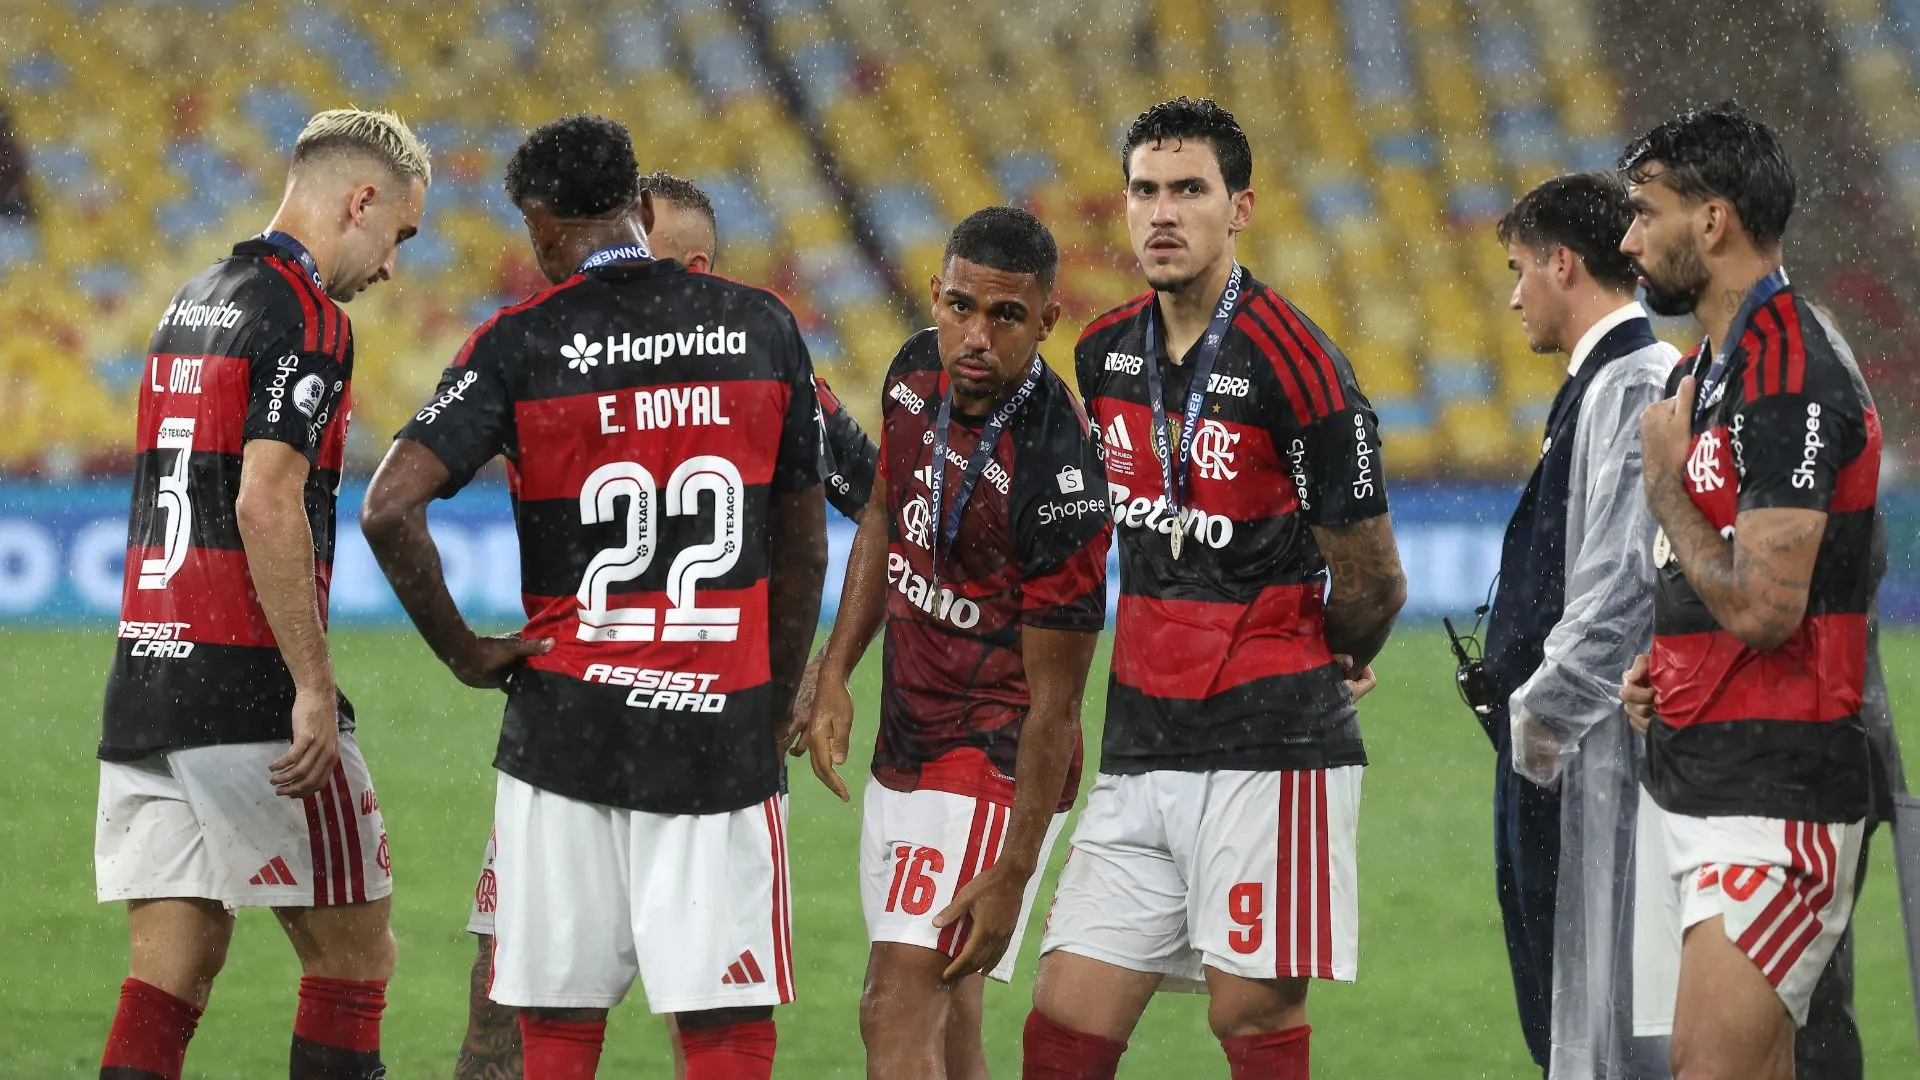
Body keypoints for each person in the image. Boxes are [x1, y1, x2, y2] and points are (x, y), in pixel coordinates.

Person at [360, 115, 826, 1080]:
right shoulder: (762, 326)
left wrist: (465, 652)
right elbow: (804, 546)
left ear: (538, 227)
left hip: (566, 725)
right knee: (723, 1023)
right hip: (715, 729)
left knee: (560, 1020)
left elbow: (388, 509)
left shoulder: (520, 344)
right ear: (645, 209)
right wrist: (774, 702)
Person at [450, 170, 876, 1080]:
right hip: (594, 728)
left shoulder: (766, 361)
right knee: (504, 984)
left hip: (687, 720)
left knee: (645, 1004)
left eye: (691, 267)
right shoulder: (571, 343)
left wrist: (821, 666)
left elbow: (883, 507)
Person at [1025, 97, 1406, 1080]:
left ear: (1238, 208)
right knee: (1063, 1024)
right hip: (1141, 743)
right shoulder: (1104, 353)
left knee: (1251, 1019)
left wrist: (1329, 656)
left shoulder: (1301, 363)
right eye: (1145, 190)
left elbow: (1372, 577)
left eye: (1187, 190)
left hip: (1269, 746)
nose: (1162, 212)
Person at [92, 108, 428, 1080]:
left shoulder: (192, 299)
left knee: (172, 971)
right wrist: (312, 687)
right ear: (360, 200)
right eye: (398, 235)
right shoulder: (307, 316)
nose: (391, 266)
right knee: (357, 962)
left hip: (143, 686)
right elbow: (266, 500)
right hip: (242, 689)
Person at [807, 206, 1112, 1080]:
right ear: (937, 294)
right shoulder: (912, 372)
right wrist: (834, 674)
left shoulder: (1058, 473)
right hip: (908, 732)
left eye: (1005, 316)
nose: (975, 335)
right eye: (959, 305)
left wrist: (1015, 873)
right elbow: (880, 511)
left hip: (995, 753)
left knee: (892, 1008)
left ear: (1047, 321)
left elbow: (1057, 708)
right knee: (952, 1016)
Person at [1616, 103, 1883, 1080]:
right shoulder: (1710, 369)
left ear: (1713, 222)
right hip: (1704, 780)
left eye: (1645, 212)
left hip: (1775, 796)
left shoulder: (1791, 371)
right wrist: (1670, 662)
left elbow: (1770, 609)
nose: (1628, 238)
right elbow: (1719, 567)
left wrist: (1661, 488)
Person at [1480, 173, 1677, 1079]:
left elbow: (1621, 584)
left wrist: (1541, 720)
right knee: (1570, 1001)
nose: (1516, 292)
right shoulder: (1603, 381)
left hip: (1592, 757)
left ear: (1564, 263)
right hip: (1571, 751)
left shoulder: (1634, 380)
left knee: (1599, 1011)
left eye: (1522, 268)